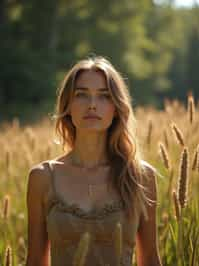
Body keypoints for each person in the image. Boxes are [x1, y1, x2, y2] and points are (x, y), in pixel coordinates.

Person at [25, 55, 162, 266]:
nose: (92, 105)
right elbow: (35, 261)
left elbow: (151, 260)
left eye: (104, 96)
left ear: (116, 108)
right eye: (81, 95)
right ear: (68, 105)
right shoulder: (43, 177)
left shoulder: (141, 177)